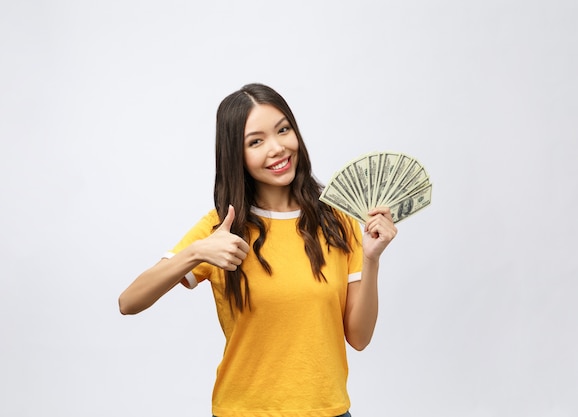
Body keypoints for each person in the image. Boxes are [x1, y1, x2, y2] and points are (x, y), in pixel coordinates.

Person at [118, 83, 397, 417]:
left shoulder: (338, 222)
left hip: (329, 411)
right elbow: (129, 302)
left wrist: (371, 257)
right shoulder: (222, 228)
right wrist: (197, 253)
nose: (277, 148)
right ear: (236, 153)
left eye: (283, 130)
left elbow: (359, 337)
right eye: (256, 141)